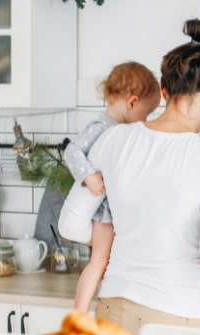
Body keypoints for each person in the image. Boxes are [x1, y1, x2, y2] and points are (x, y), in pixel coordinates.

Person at [59, 18, 200, 335]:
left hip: (113, 310)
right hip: (180, 318)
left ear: (165, 91)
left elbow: (70, 224)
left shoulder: (113, 140)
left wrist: (132, 232)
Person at [60, 61, 161, 314]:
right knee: (99, 261)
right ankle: (79, 313)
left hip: (118, 210)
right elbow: (72, 151)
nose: (145, 120)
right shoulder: (101, 128)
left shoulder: (124, 132)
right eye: (146, 113)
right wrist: (89, 176)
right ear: (132, 103)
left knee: (110, 261)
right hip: (104, 212)